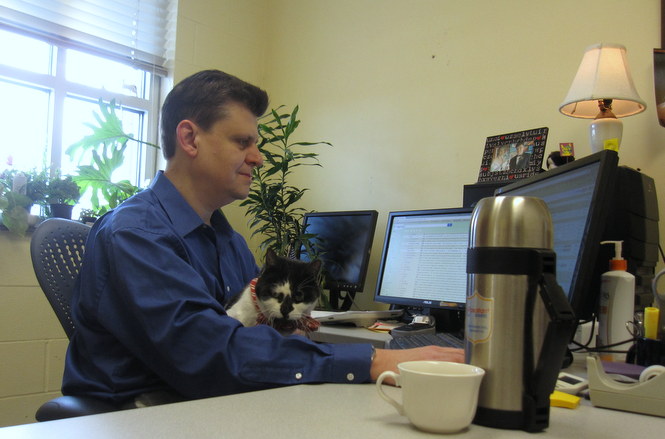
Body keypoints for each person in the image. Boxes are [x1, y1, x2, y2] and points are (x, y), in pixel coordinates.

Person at [62, 70, 463, 407]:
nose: (257, 156)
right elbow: (211, 354)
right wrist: (374, 361)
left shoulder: (228, 241)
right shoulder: (134, 235)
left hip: (207, 404)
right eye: (243, 142)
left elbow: (254, 334)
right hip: (138, 415)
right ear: (189, 139)